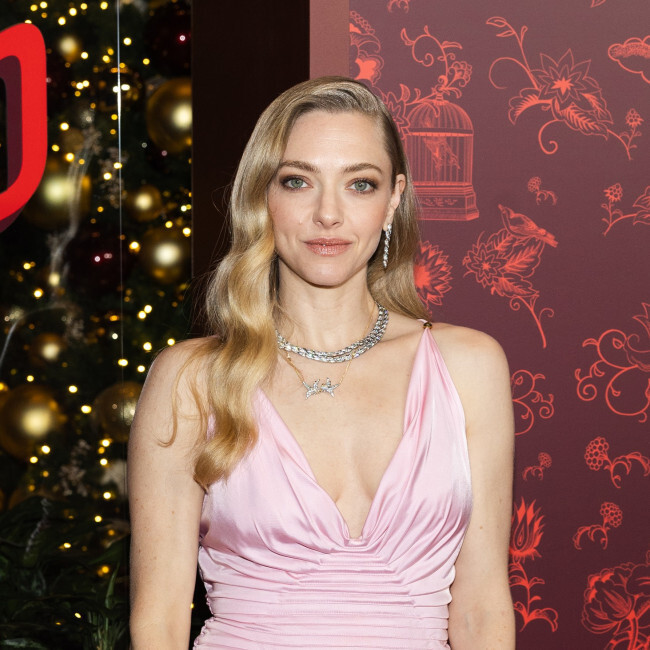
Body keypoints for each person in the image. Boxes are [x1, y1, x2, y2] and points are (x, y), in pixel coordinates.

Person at [128, 76, 515, 649]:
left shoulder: (469, 366)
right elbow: (159, 621)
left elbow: (482, 610)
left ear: (393, 200)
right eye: (298, 181)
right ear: (263, 197)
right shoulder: (192, 379)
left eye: (360, 184)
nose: (328, 214)